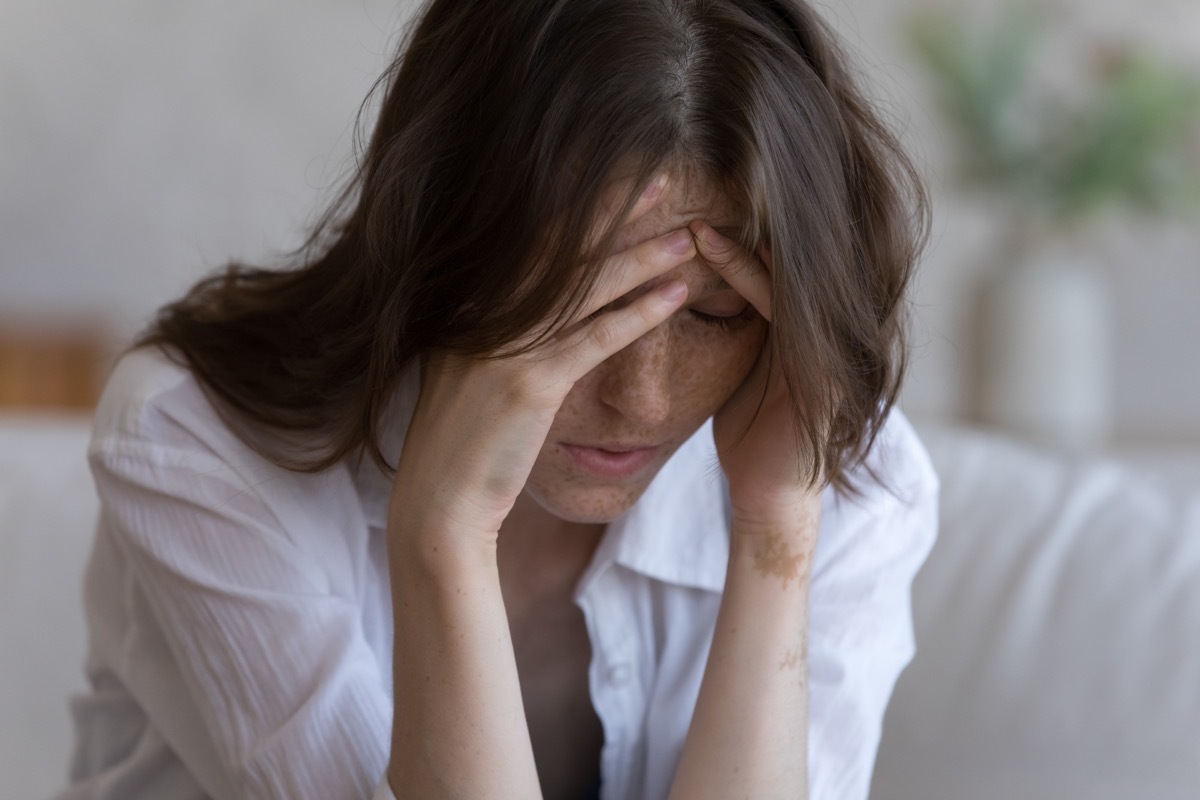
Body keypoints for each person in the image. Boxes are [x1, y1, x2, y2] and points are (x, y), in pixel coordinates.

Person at [58, 0, 937, 798]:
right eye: (580, 312)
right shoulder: (194, 445)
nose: (641, 396)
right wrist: (442, 535)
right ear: (443, 240)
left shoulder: (843, 478)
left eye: (713, 314)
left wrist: (773, 539)